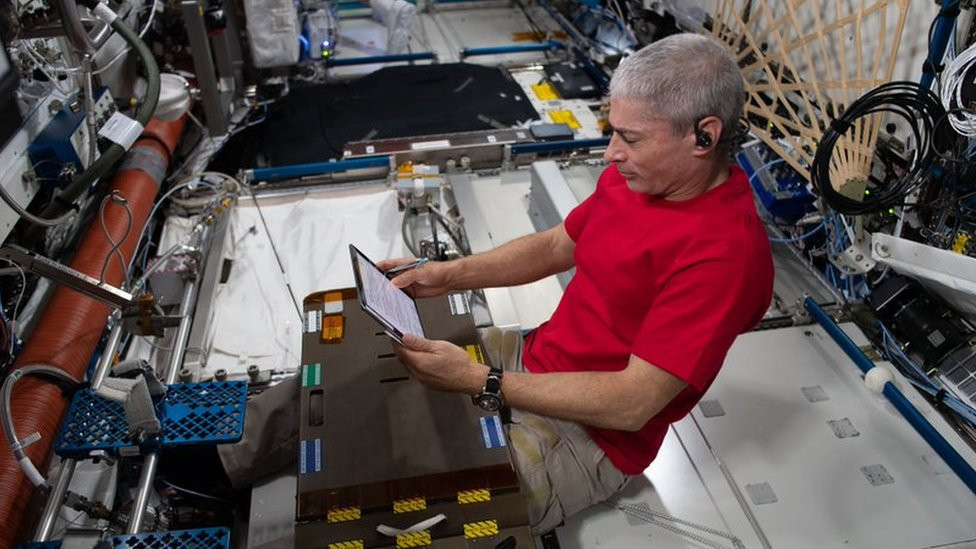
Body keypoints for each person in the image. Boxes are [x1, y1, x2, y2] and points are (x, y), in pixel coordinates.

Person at [380, 32, 774, 534]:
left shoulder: (725, 257)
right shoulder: (635, 181)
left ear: (704, 136)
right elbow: (553, 247)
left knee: (426, 522)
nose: (611, 154)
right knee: (374, 378)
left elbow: (632, 404)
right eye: (614, 131)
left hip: (588, 436)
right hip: (533, 359)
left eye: (631, 138)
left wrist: (482, 383)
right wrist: (450, 273)